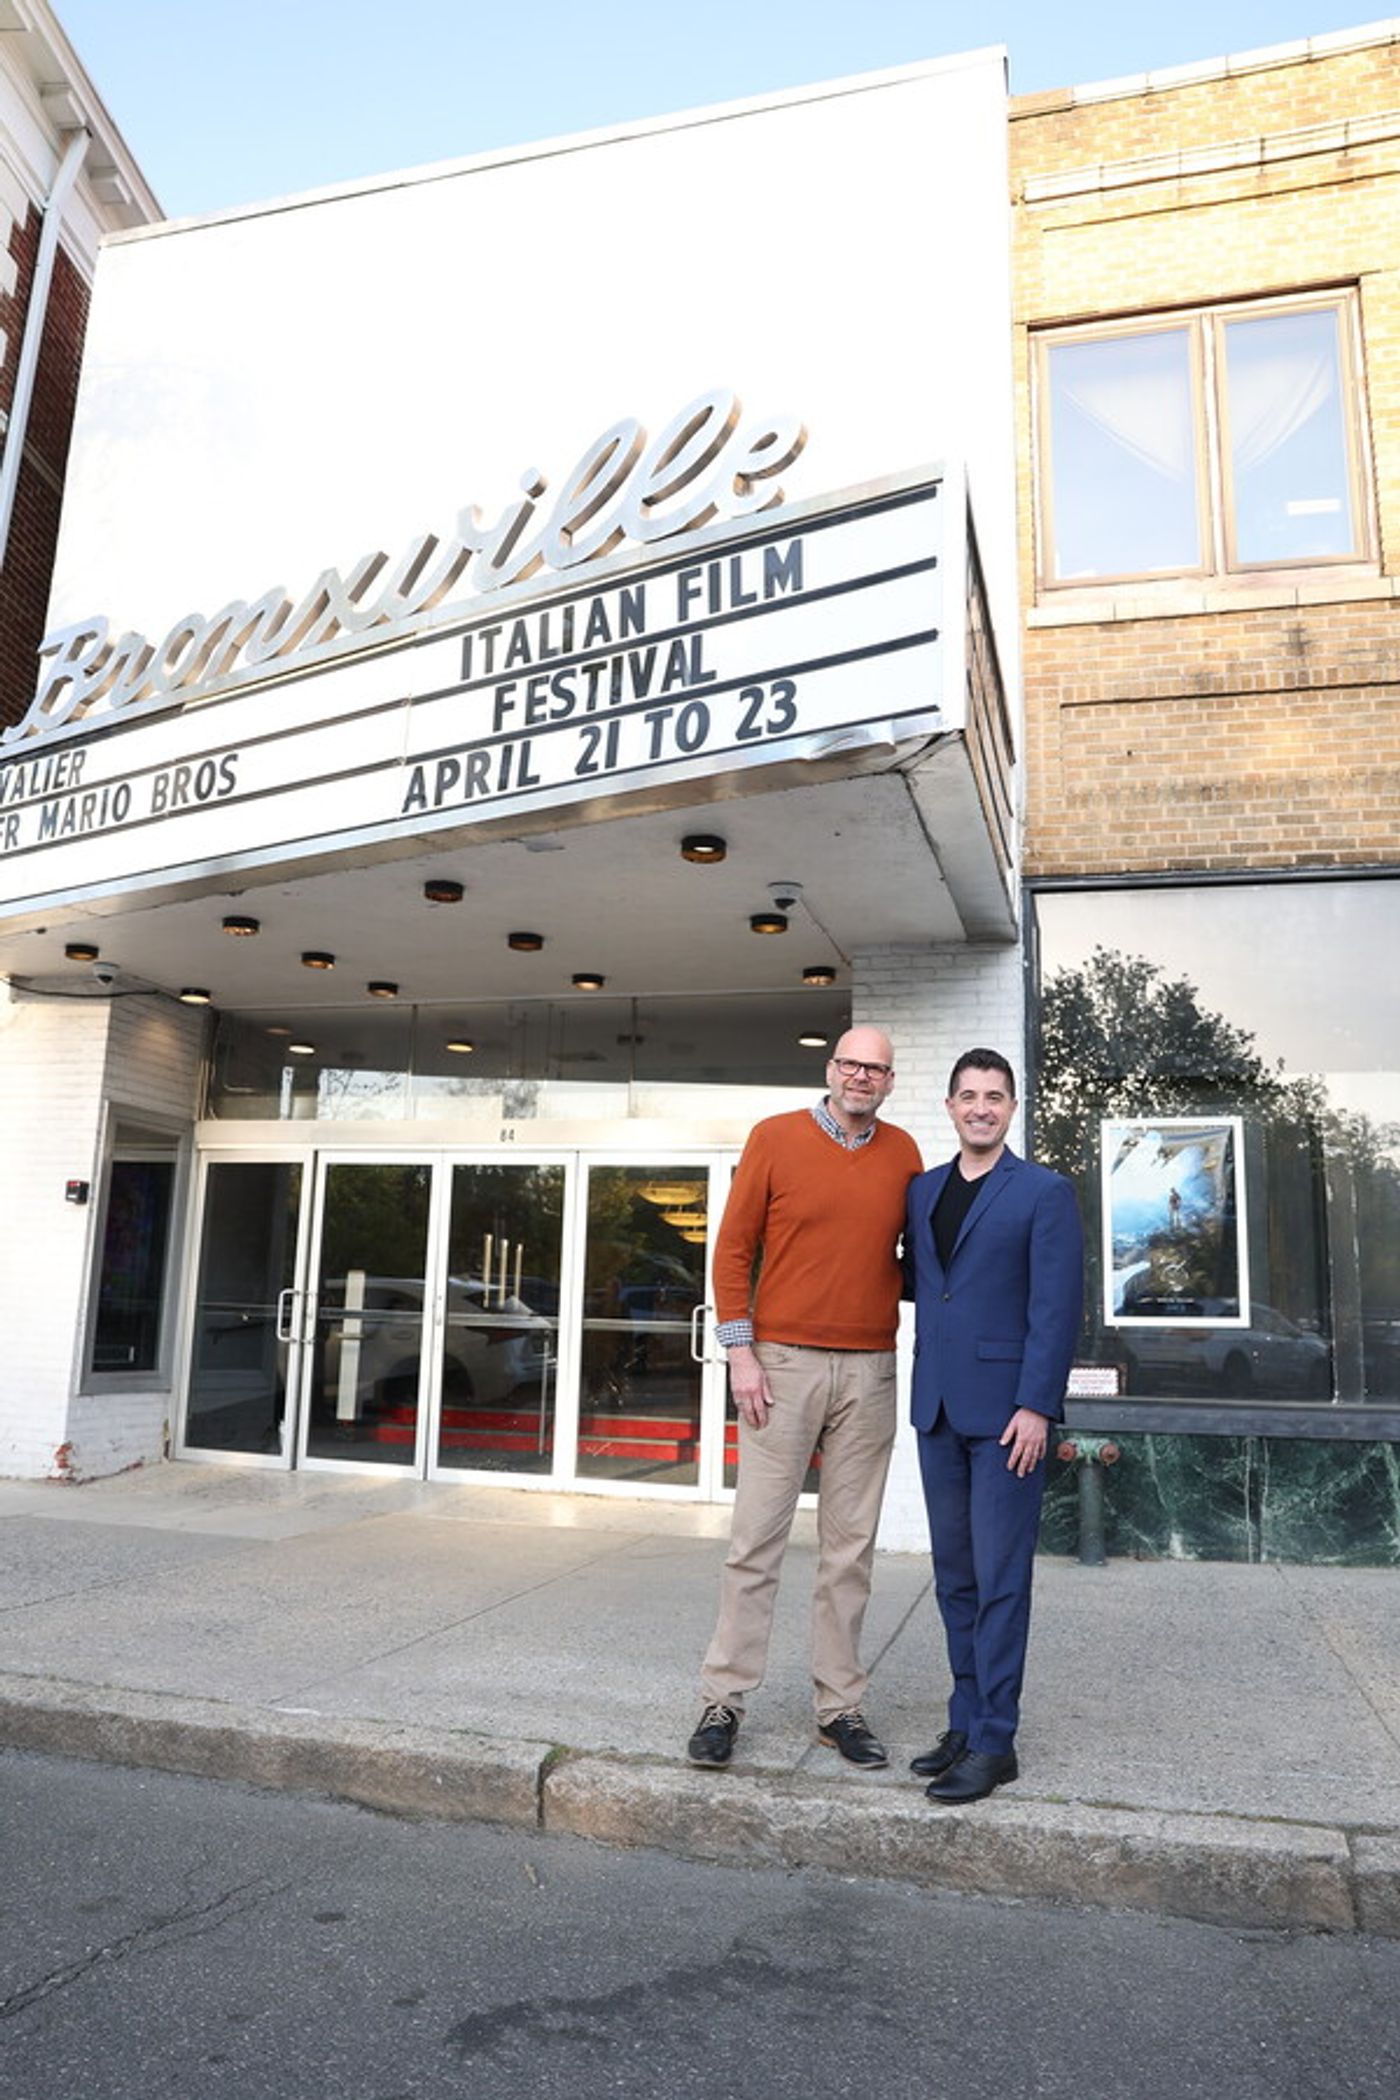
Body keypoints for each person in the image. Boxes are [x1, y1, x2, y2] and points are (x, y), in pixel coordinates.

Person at [686, 1025, 922, 1771]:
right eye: (851, 1063)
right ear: (831, 1069)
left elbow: (916, 1259)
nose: (861, 1076)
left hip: (871, 1369)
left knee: (849, 1550)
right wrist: (740, 1354)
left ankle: (840, 1708)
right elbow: (731, 1250)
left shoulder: (905, 1153)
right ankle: (723, 1699)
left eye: (875, 1069)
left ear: (888, 1082)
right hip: (780, 1364)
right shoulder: (775, 1137)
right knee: (756, 1541)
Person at [905, 1048, 1083, 1803]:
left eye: (995, 1097)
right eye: (968, 1095)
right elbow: (925, 1286)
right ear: (949, 1106)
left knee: (1002, 1580)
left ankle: (996, 1741)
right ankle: (965, 1720)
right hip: (938, 1409)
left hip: (1011, 1418)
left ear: (1012, 1109)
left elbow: (1056, 1307)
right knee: (955, 1579)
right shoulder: (922, 1190)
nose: (981, 1107)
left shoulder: (1044, 1192)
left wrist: (1037, 1405)